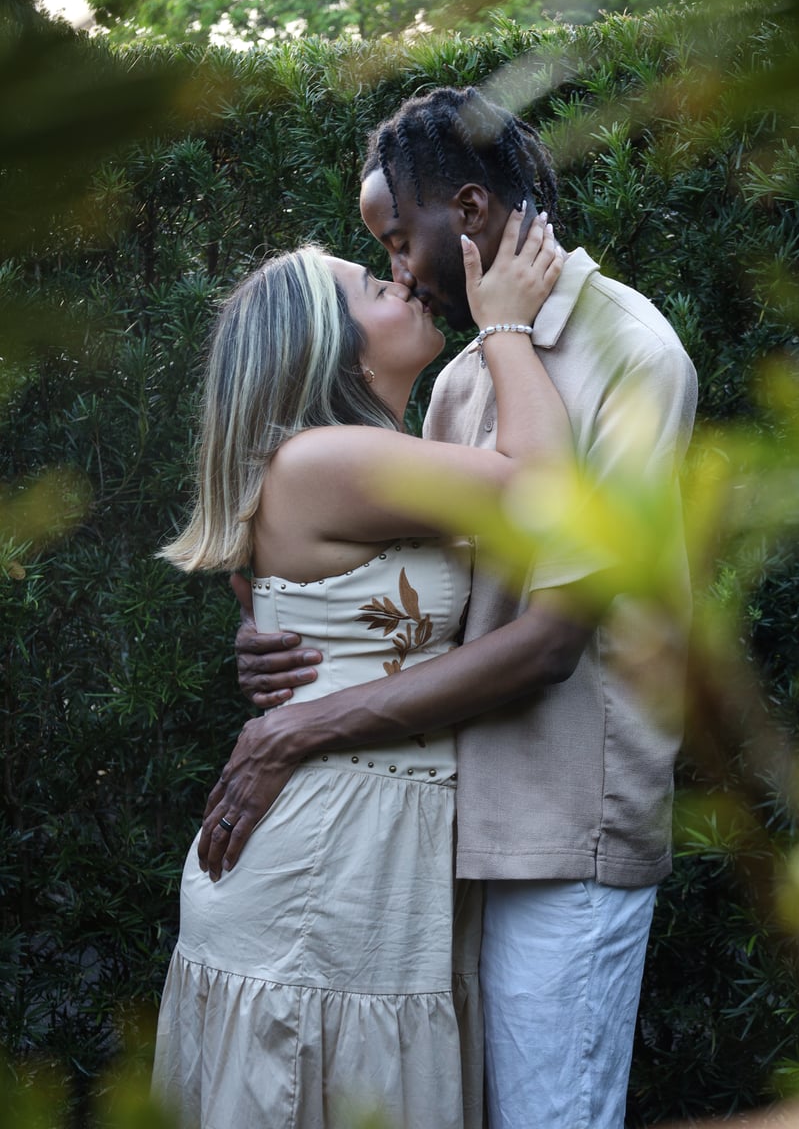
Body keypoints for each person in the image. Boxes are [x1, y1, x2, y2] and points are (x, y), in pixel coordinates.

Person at [212, 86, 699, 1129]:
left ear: (467, 212)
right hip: (431, 838)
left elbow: (553, 639)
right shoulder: (470, 372)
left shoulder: (631, 357)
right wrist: (273, 627)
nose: (396, 271)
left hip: (559, 835)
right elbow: (385, 565)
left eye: (394, 242)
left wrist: (305, 722)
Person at [151, 213, 572, 1129]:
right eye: (375, 289)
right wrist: (504, 325)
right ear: (327, 353)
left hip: (363, 853)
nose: (406, 284)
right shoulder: (330, 459)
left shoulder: (349, 459)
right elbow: (547, 496)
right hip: (325, 867)